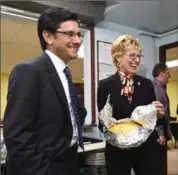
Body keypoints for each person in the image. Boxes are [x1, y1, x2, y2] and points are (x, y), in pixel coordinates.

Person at [3, 7, 87, 175]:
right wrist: (43, 170)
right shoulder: (28, 71)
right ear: (48, 36)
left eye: (79, 34)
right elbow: (16, 135)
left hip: (68, 161)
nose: (77, 40)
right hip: (43, 167)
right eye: (70, 34)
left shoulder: (65, 74)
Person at [97, 35, 166, 175]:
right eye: (132, 55)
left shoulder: (146, 84)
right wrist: (120, 139)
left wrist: (158, 115)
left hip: (146, 149)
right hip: (118, 151)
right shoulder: (105, 85)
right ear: (118, 58)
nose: (137, 60)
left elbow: (154, 118)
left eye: (139, 56)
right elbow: (102, 123)